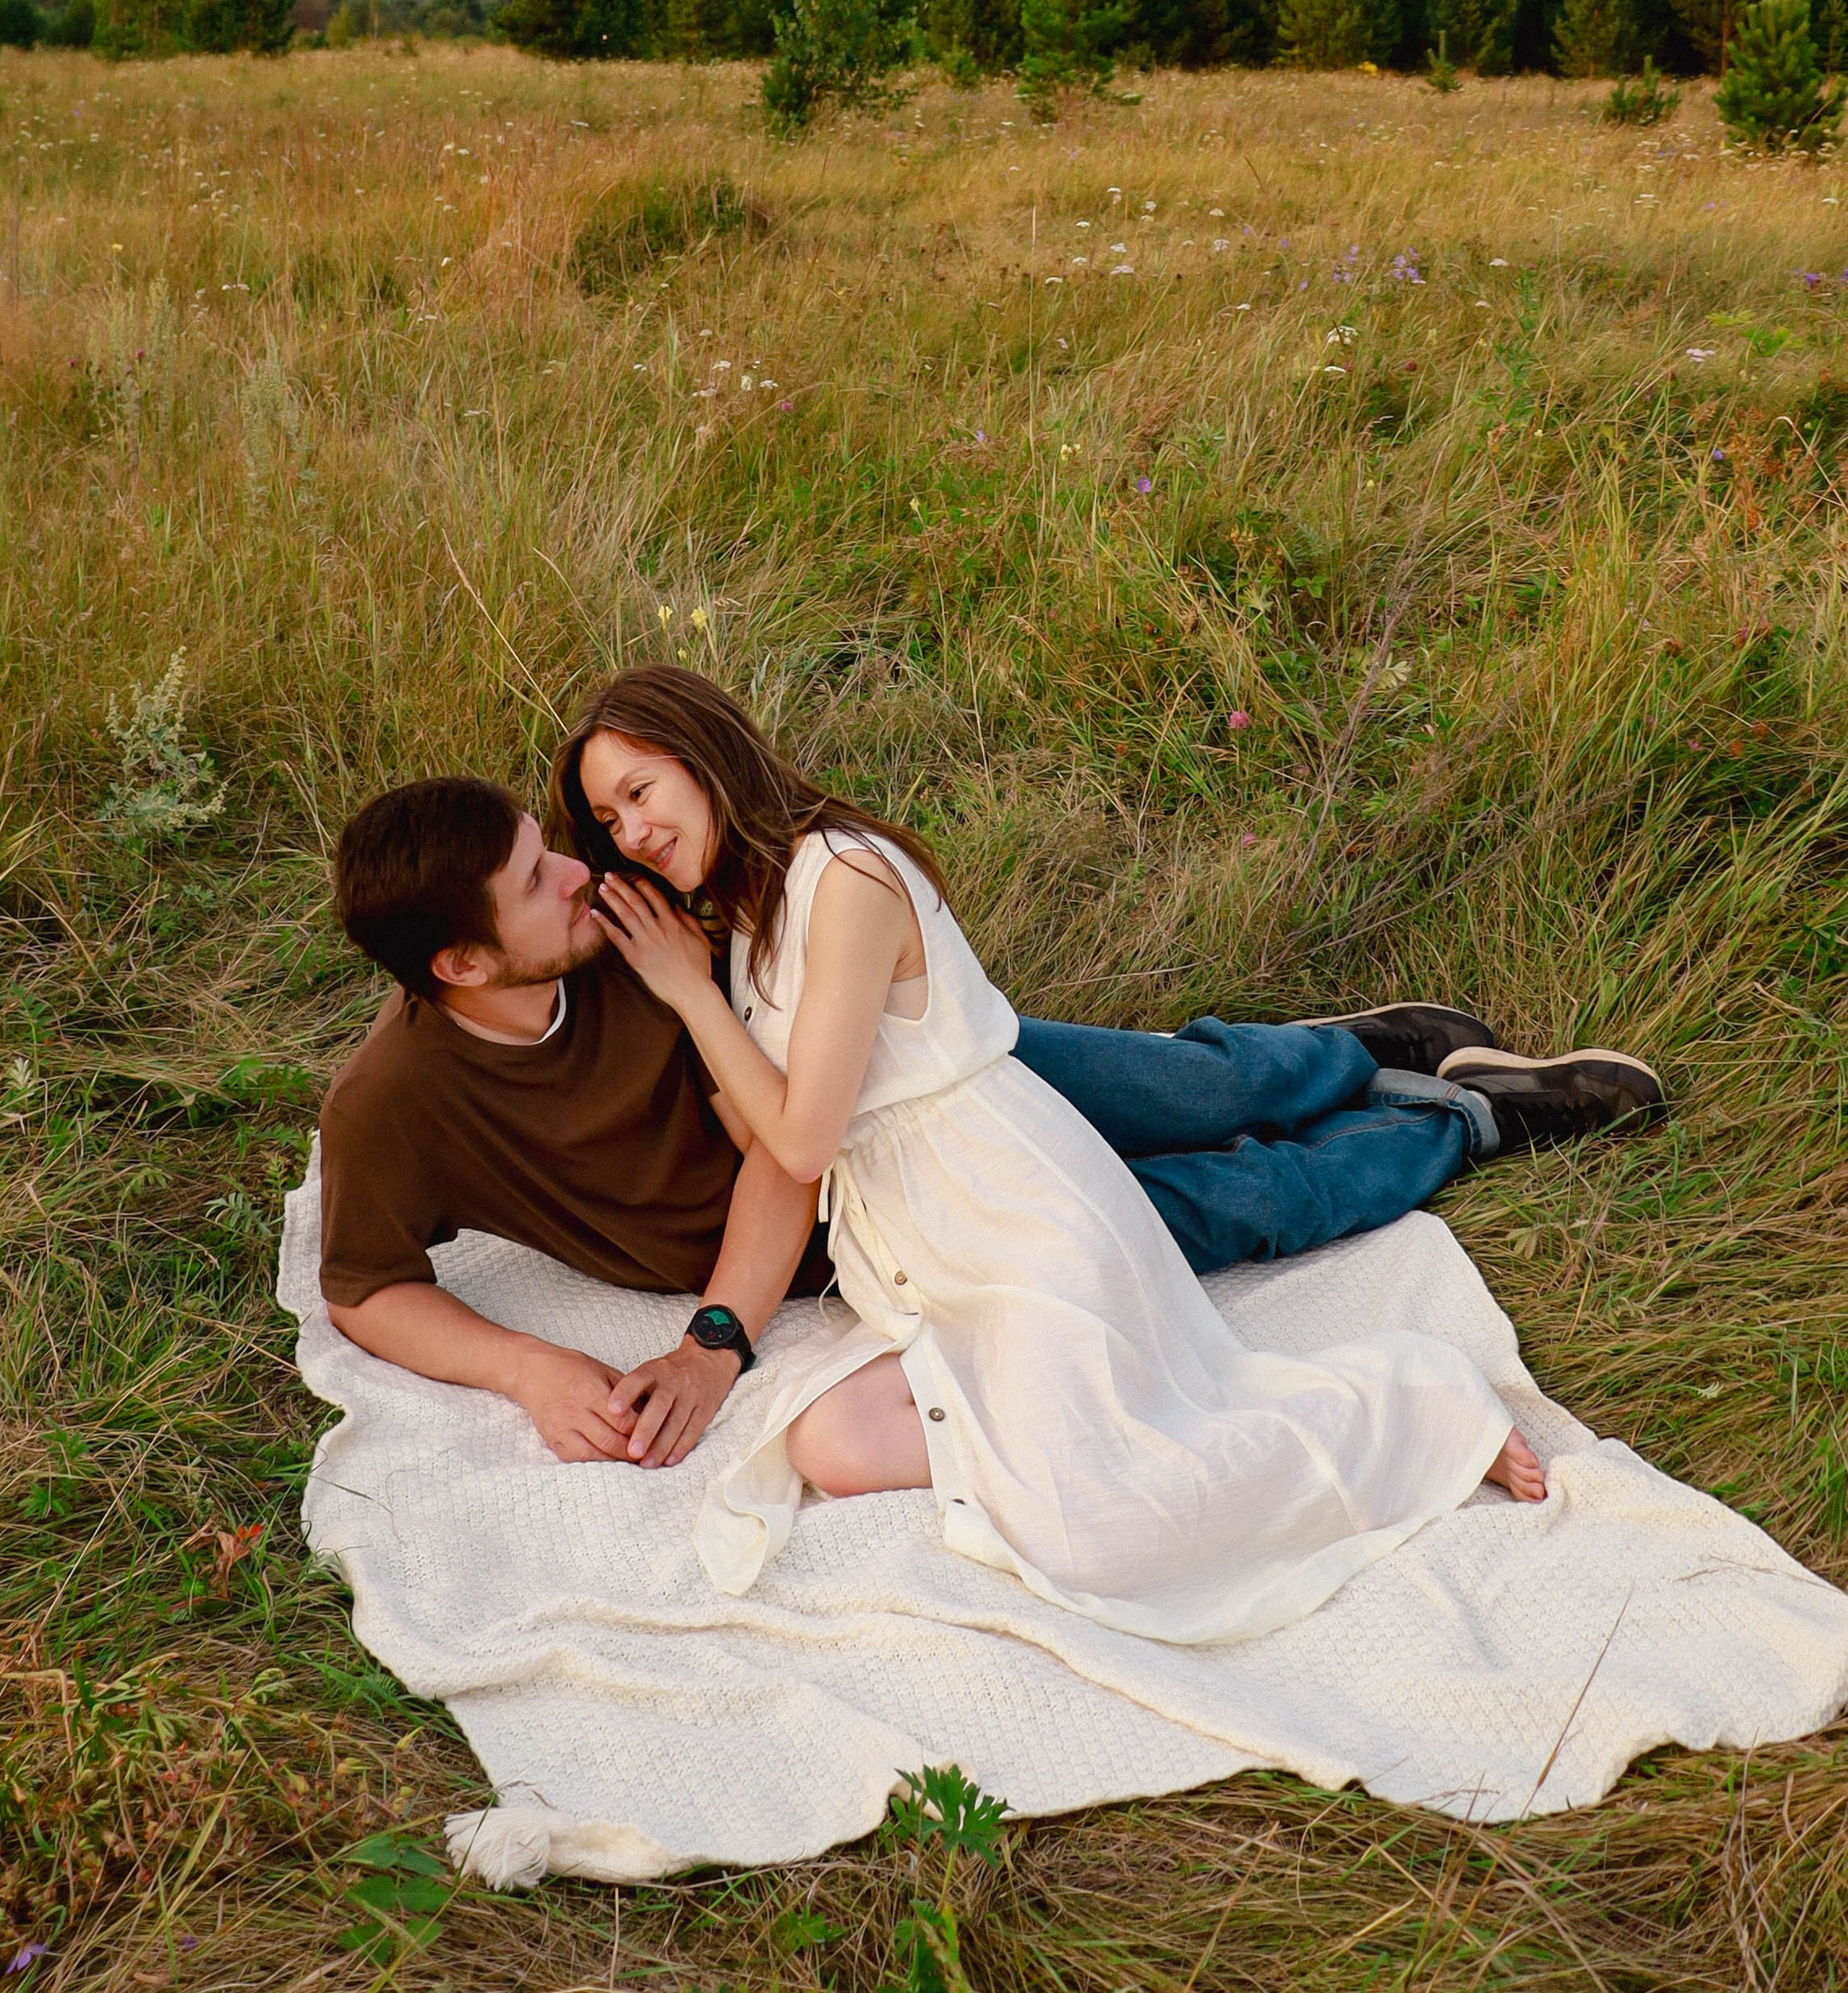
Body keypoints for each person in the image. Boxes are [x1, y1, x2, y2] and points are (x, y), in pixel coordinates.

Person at [560, 666, 1666, 1646]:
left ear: (702, 756)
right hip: (916, 1250)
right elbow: (768, 1139)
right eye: (607, 819)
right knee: (833, 1443)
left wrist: (685, 999)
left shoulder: (842, 876)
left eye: (640, 793)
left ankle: (1422, 1398)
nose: (629, 832)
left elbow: (803, 1135)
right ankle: (1403, 1094)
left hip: (1008, 1205)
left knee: (1104, 1521)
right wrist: (698, 988)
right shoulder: (745, 929)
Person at [317, 729, 1661, 1498]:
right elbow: (369, 1286)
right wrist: (534, 1368)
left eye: (556, 842)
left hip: (906, 1087)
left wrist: (717, 1340)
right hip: (885, 1214)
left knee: (1199, 1086)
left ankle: (1345, 1049)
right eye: (539, 878)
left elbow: (791, 1109)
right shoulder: (395, 1102)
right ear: (463, 968)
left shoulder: (633, 926)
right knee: (1239, 1209)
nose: (585, 867)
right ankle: (1460, 1121)